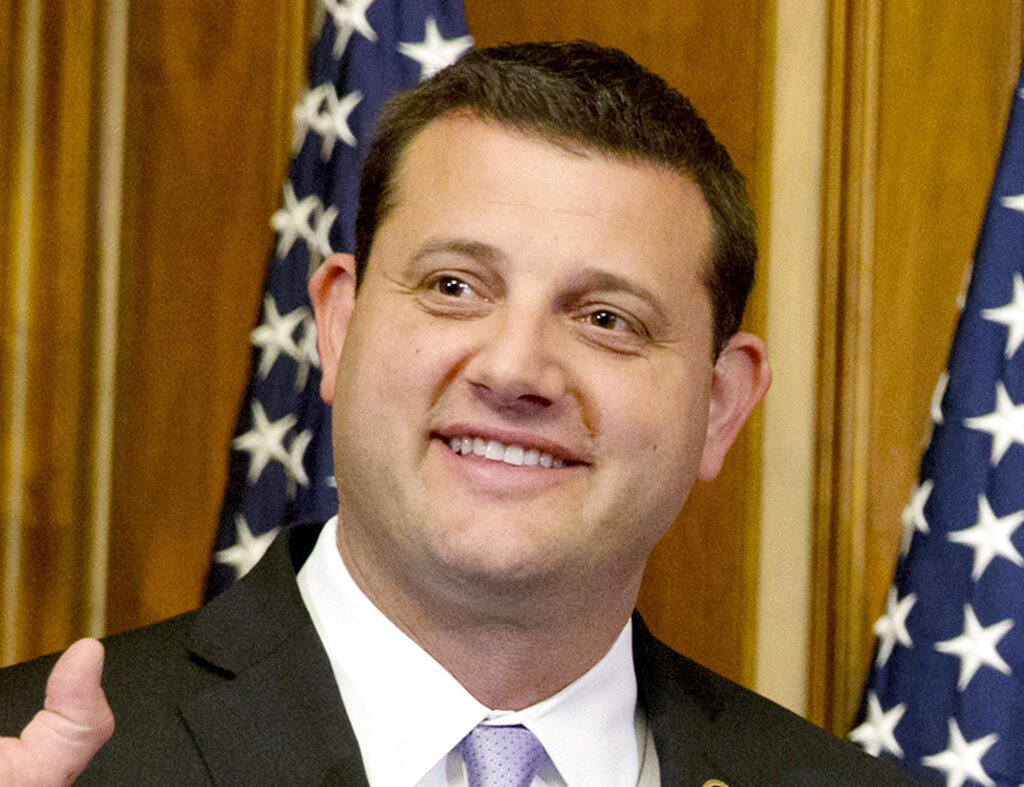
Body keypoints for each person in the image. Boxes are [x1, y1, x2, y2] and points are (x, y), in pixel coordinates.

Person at [0, 42, 917, 785]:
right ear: (338, 327)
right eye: (453, 286)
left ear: (719, 406)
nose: (517, 370)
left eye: (607, 319)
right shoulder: (46, 753)